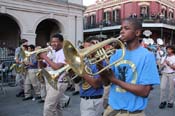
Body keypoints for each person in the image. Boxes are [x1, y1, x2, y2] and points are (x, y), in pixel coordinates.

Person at [99, 18, 160, 116]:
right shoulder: (115, 54)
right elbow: (106, 82)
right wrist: (99, 65)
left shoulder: (147, 56)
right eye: (121, 28)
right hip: (112, 110)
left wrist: (115, 81)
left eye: (126, 28)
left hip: (133, 113)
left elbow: (144, 91)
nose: (122, 31)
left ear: (137, 32)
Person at [38, 33, 70, 116]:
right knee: (57, 106)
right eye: (52, 42)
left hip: (59, 82)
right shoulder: (51, 52)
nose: (53, 44)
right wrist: (39, 59)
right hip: (50, 80)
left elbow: (57, 67)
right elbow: (42, 66)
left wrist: (45, 57)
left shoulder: (64, 53)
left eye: (56, 41)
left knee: (48, 107)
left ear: (62, 42)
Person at [78, 38, 104, 116]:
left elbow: (96, 84)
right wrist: (72, 70)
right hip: (85, 100)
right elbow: (76, 80)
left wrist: (81, 71)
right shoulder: (83, 62)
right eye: (84, 48)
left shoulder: (102, 62)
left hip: (98, 100)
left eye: (89, 48)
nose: (86, 51)